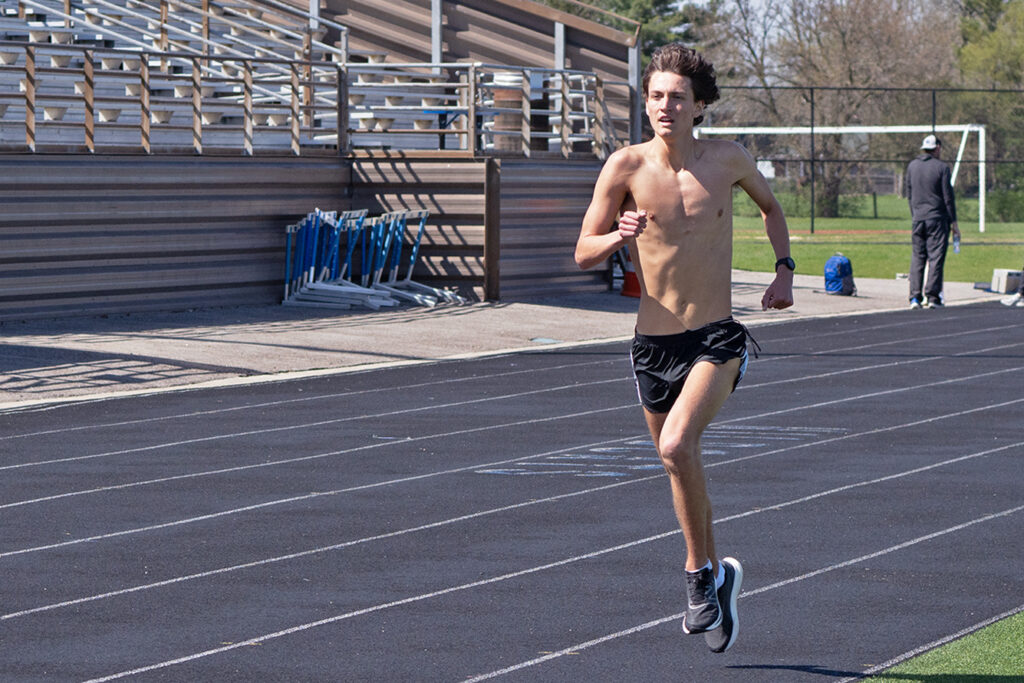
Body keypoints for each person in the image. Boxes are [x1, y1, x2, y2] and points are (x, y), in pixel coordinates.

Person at [574, 43, 794, 654]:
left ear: (699, 106)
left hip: (717, 337)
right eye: (656, 96)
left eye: (677, 97)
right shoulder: (624, 167)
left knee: (677, 444)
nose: (665, 106)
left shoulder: (727, 160)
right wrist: (615, 237)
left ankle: (697, 577)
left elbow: (772, 209)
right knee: (677, 463)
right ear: (645, 103)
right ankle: (719, 577)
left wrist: (784, 269)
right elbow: (582, 251)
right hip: (652, 344)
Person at [906, 134, 961, 309]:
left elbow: (909, 193)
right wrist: (954, 223)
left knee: (917, 258)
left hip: (918, 218)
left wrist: (915, 213)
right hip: (936, 219)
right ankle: (932, 297)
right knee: (936, 258)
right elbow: (948, 197)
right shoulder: (942, 168)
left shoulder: (912, 166)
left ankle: (915, 297)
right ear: (937, 148)